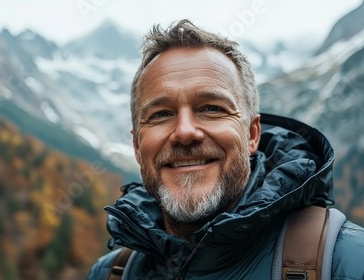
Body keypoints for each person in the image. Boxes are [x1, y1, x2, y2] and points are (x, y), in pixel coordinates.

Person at [86, 19, 364, 279]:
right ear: (137, 146)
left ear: (252, 135)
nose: (184, 132)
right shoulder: (111, 273)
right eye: (160, 114)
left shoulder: (349, 260)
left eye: (211, 108)